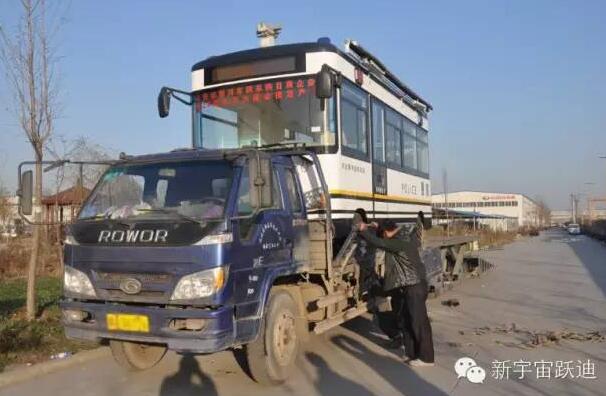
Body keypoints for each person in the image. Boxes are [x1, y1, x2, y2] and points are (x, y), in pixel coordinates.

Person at [357, 215, 435, 367]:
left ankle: (427, 358)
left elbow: (378, 242)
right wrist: (376, 225)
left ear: (386, 232)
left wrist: (363, 231)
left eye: (382, 232)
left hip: (414, 286)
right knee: (408, 320)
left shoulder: (398, 243)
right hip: (410, 286)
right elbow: (385, 233)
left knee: (419, 322)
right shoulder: (403, 235)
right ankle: (412, 354)